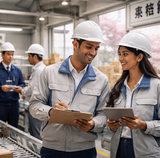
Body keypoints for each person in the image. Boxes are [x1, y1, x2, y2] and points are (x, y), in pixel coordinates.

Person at [29, 20, 110, 158]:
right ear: (75, 44)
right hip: (52, 148)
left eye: (96, 48)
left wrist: (93, 124)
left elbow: (104, 115)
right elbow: (34, 105)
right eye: (89, 47)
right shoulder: (50, 72)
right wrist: (51, 112)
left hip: (85, 149)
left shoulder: (101, 80)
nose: (93, 52)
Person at [106, 32, 160, 158]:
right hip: (119, 149)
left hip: (146, 152)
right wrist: (111, 126)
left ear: (139, 57)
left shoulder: (158, 87)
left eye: (125, 54)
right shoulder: (117, 87)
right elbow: (111, 121)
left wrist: (144, 125)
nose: (120, 58)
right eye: (120, 54)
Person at [0, 42, 25, 127]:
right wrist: (1, 88)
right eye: (8, 54)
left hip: (14, 104)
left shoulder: (17, 70)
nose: (11, 57)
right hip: (0, 104)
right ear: (2, 55)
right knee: (0, 128)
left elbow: (22, 83)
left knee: (14, 129)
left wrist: (20, 88)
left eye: (12, 54)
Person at [14, 44, 46, 140]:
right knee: (38, 132)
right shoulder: (42, 68)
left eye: (29, 56)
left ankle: (37, 153)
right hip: (40, 105)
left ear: (35, 56)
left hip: (37, 107)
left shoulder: (38, 70)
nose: (28, 59)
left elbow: (32, 89)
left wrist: (22, 91)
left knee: (36, 134)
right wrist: (26, 94)